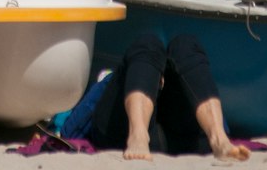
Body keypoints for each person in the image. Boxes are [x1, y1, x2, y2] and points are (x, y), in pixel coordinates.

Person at [87, 33, 250, 162]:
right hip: (125, 133)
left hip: (179, 138)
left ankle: (218, 139)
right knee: (149, 43)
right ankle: (138, 135)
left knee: (183, 43)